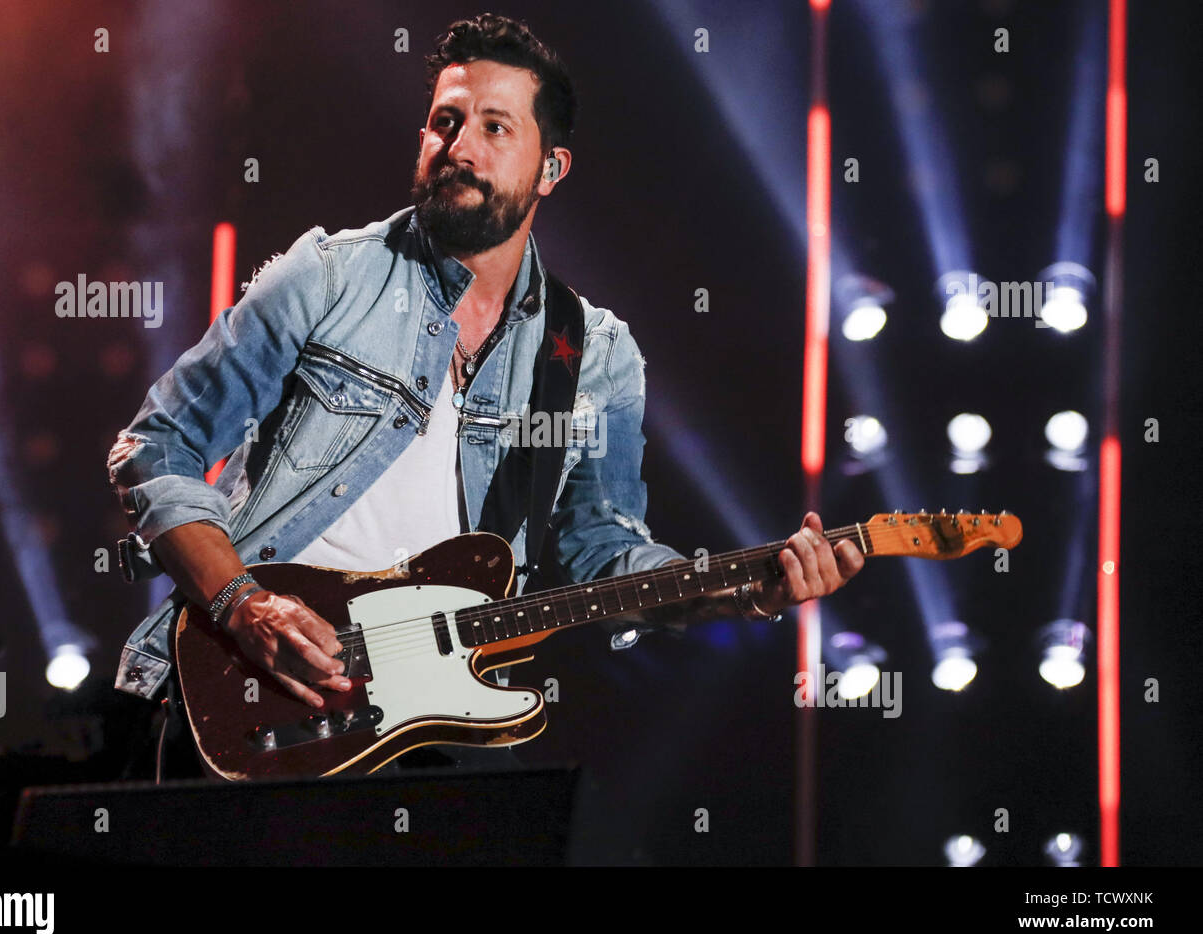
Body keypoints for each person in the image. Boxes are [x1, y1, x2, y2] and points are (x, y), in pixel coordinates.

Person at [106, 14, 863, 777]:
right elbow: (156, 445)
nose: (458, 148)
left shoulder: (593, 355)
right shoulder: (326, 276)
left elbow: (601, 552)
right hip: (254, 692)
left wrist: (738, 592)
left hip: (420, 728)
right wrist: (244, 603)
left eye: (495, 128)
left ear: (551, 169)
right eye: (444, 122)